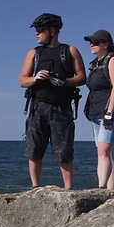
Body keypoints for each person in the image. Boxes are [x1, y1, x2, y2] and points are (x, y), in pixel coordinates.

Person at [19, 13, 86, 190]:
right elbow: (22, 81)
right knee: (34, 149)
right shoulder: (34, 53)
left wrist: (64, 81)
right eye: (36, 30)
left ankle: (68, 189)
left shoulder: (70, 51)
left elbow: (81, 77)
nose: (37, 33)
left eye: (40, 30)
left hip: (61, 107)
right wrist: (36, 78)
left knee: (64, 150)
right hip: (37, 106)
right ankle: (35, 187)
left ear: (53, 31)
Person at [83, 29, 114, 190]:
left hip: (110, 114)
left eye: (95, 42)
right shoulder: (96, 64)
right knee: (107, 152)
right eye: (90, 42)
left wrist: (109, 113)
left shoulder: (113, 60)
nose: (91, 44)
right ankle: (111, 189)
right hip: (96, 113)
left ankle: (100, 188)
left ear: (106, 44)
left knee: (103, 151)